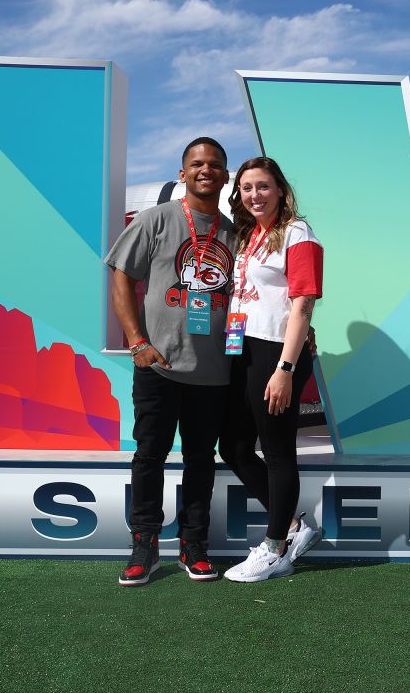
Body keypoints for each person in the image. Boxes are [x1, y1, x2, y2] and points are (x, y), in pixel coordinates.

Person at [105, 137, 237, 586]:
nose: (206, 170)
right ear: (183, 174)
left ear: (224, 174)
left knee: (202, 459)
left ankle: (193, 545)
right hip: (159, 366)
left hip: (215, 371)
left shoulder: (236, 231)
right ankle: (144, 544)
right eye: (197, 164)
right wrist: (137, 342)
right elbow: (122, 279)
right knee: (150, 456)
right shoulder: (156, 219)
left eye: (215, 164)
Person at [219, 156, 324, 582]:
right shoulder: (249, 235)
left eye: (263, 186)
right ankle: (296, 525)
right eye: (246, 188)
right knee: (235, 448)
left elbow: (303, 304)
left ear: (280, 189)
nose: (254, 195)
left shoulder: (297, 232)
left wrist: (285, 367)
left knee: (278, 451)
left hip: (275, 353)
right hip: (241, 348)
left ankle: (275, 546)